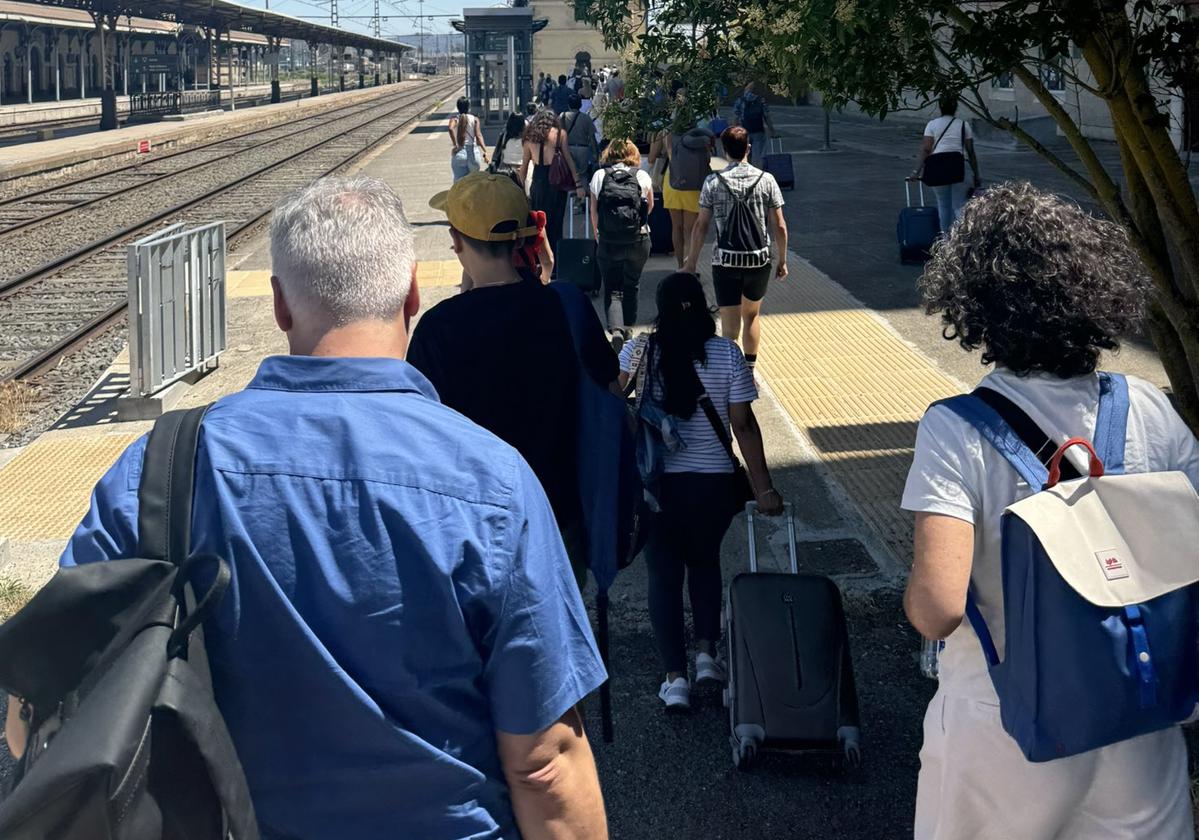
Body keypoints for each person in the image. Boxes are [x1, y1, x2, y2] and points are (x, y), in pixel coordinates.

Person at [50, 177, 610, 839]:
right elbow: (544, 761)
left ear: (281, 305)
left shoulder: (158, 470)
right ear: (410, 294)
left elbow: (45, 708)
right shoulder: (495, 485)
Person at [901, 181, 1196, 840]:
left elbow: (937, 607)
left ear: (975, 305)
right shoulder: (1149, 408)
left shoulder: (956, 431)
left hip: (1001, 732)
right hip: (1139, 722)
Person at [412, 172, 617, 587]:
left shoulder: (439, 328)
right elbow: (609, 389)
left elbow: (421, 436)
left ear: (456, 240)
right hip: (559, 509)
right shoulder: (567, 307)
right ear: (525, 238)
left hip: (474, 522)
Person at [618, 272, 782, 712]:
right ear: (704, 306)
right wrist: (764, 488)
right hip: (712, 485)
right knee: (705, 564)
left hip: (659, 486)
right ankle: (707, 657)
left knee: (663, 578)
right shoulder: (728, 355)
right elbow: (743, 425)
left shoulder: (641, 350)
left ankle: (675, 681)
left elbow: (613, 398)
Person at [683, 126, 787, 373]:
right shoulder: (767, 180)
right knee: (751, 316)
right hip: (759, 259)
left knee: (730, 326)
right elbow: (779, 225)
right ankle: (750, 370)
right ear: (748, 148)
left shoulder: (712, 181)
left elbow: (700, 226)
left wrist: (691, 263)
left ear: (724, 151)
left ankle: (733, 373)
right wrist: (782, 260)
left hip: (725, 262)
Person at [590, 139, 653, 343]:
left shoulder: (600, 175)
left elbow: (594, 211)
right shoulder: (642, 175)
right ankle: (628, 331)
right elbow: (649, 206)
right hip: (638, 239)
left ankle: (616, 330)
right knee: (632, 284)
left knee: (613, 287)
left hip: (609, 240)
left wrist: (598, 233)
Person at [520, 108, 587, 255]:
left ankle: (540, 259)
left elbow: (524, 168)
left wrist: (519, 190)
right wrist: (578, 184)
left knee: (538, 225)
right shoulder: (559, 135)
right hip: (557, 184)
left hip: (538, 183)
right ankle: (556, 261)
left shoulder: (529, 138)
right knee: (556, 225)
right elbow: (569, 160)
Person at [650, 119, 714, 270]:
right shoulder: (699, 134)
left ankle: (680, 266)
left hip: (672, 181)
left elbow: (652, 158)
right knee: (691, 229)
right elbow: (708, 160)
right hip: (694, 183)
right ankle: (690, 266)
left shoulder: (665, 132)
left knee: (676, 227)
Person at [912, 93, 981, 234]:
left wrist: (916, 171)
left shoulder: (931, 125)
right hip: (957, 167)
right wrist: (976, 174)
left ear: (940, 107)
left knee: (943, 205)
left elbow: (926, 149)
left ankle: (946, 240)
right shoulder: (963, 125)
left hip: (937, 167)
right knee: (960, 204)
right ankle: (963, 236)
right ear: (955, 107)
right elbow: (971, 152)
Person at [732, 81, 776, 167]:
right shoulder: (761, 100)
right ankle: (758, 172)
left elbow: (735, 117)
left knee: (746, 154)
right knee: (759, 155)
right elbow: (767, 116)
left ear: (745, 88)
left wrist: (734, 131)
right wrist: (772, 129)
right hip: (758, 130)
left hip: (744, 131)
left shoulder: (740, 100)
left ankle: (748, 171)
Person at [561, 93, 599, 185]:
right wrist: (595, 153)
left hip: (567, 149)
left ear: (568, 104)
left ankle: (569, 196)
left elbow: (558, 134)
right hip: (583, 150)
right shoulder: (586, 118)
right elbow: (592, 138)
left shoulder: (562, 116)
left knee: (568, 174)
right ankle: (583, 196)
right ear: (580, 105)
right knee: (583, 175)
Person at [448, 96, 488, 181]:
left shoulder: (455, 119)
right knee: (474, 183)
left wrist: (455, 145)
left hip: (460, 153)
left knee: (459, 184)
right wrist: (485, 151)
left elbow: (450, 128)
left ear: (458, 107)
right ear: (468, 107)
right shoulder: (475, 119)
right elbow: (478, 135)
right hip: (473, 154)